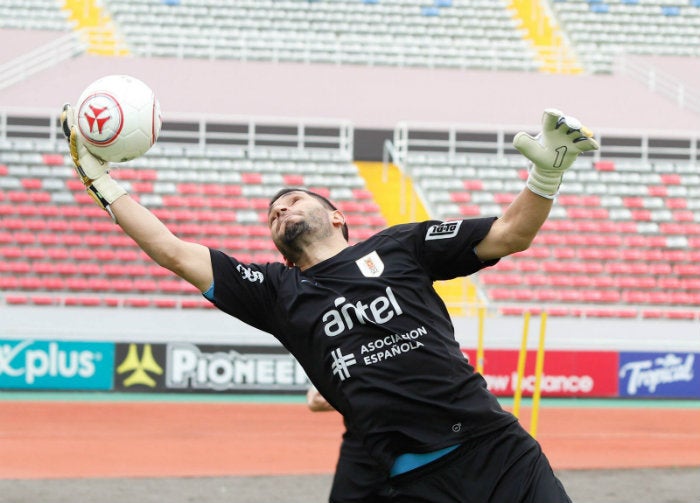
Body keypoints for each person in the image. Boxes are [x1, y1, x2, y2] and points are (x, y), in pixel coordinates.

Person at [60, 104, 598, 502]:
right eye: (272, 214)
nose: (279, 210)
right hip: (415, 481)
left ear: (337, 217)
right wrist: (102, 180)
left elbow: (509, 234)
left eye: (292, 200)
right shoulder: (273, 292)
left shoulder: (400, 245)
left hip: (499, 450)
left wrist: (545, 174)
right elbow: (172, 252)